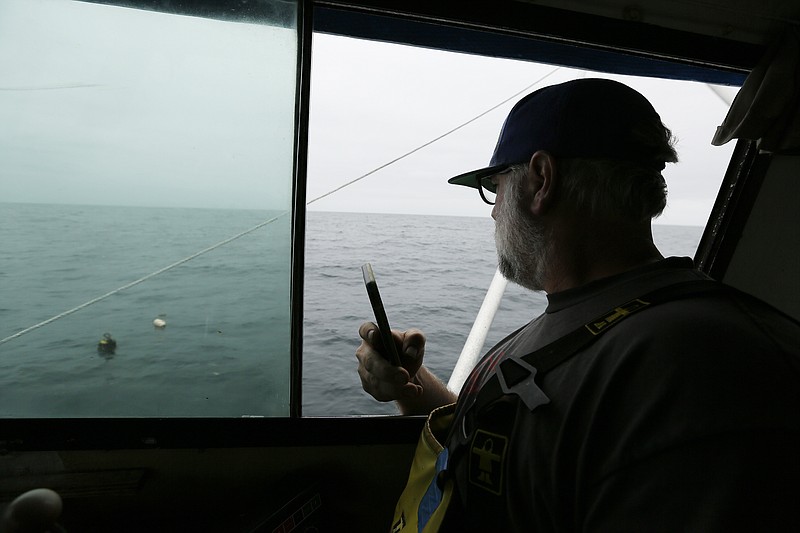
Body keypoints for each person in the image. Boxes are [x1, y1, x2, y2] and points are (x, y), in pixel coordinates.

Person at [356, 78, 800, 531]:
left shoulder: (700, 371)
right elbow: (517, 443)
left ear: (541, 180)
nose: (492, 210)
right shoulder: (599, 322)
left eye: (495, 185)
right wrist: (410, 385)